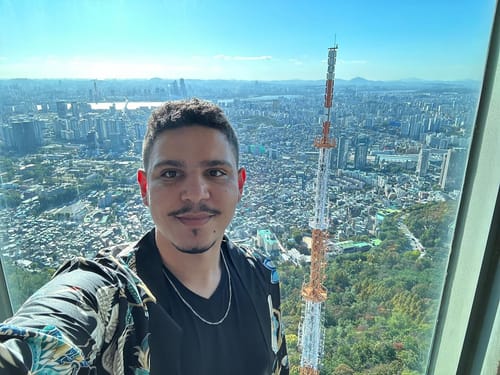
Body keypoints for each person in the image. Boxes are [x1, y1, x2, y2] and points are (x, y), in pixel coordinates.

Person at [0, 98, 289, 374]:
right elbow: (44, 332)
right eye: (171, 174)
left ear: (239, 185)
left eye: (214, 172)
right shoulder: (113, 295)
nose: (195, 193)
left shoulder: (261, 275)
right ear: (144, 188)